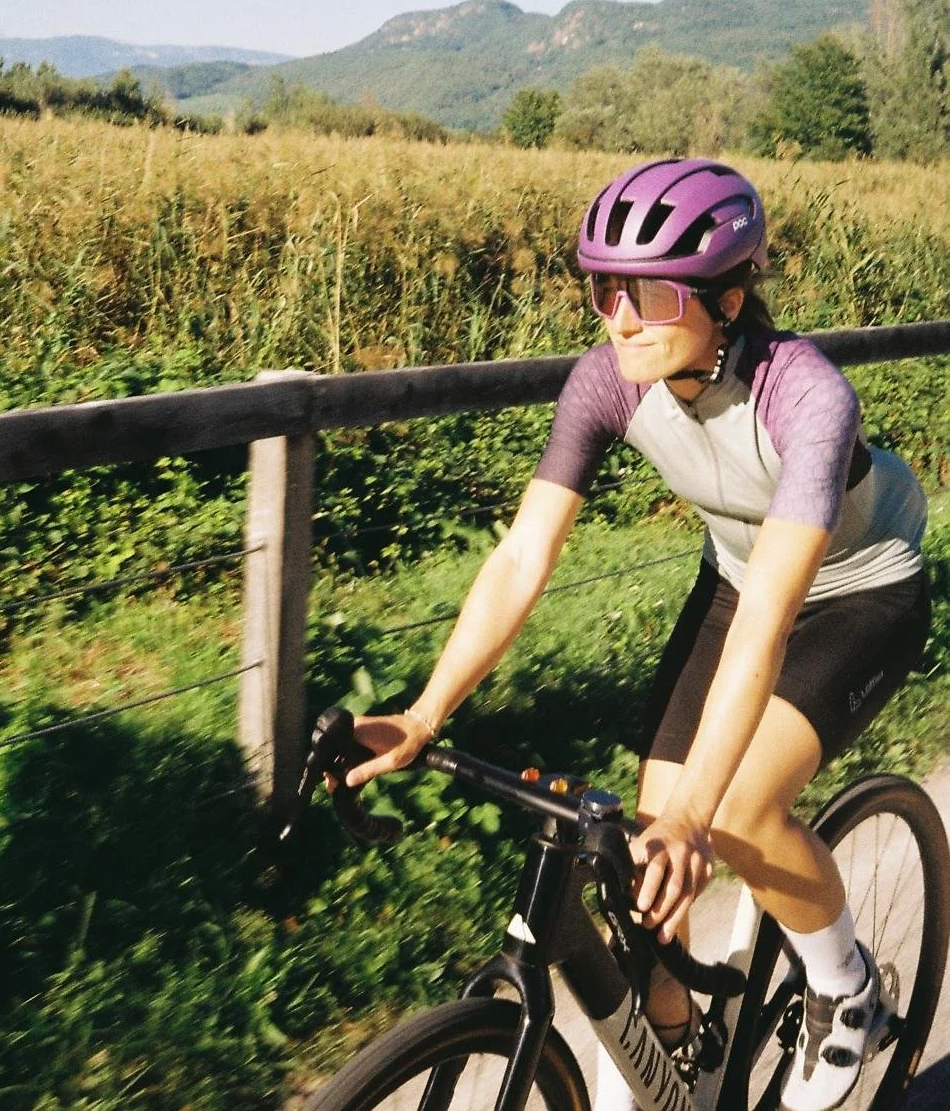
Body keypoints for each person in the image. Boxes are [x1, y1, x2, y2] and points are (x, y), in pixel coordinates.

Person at [343, 159, 930, 1111]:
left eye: (650, 294)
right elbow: (522, 556)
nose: (619, 317)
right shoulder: (607, 382)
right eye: (604, 288)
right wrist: (422, 713)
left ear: (728, 298)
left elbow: (772, 625)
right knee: (650, 851)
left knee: (733, 813)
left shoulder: (806, 399)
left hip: (858, 591)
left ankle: (845, 987)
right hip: (739, 579)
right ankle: (677, 1050)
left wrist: (705, 809)